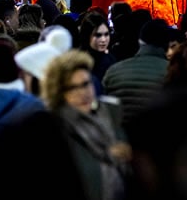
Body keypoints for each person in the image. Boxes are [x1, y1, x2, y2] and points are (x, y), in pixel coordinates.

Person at [42, 50, 128, 200]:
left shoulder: (108, 115)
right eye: (73, 88)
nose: (84, 93)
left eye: (86, 84)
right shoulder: (54, 130)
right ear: (59, 92)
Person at [102, 18, 170, 128]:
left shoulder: (113, 71)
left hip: (122, 139)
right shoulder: (174, 73)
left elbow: (104, 112)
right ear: (167, 44)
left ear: (140, 41)